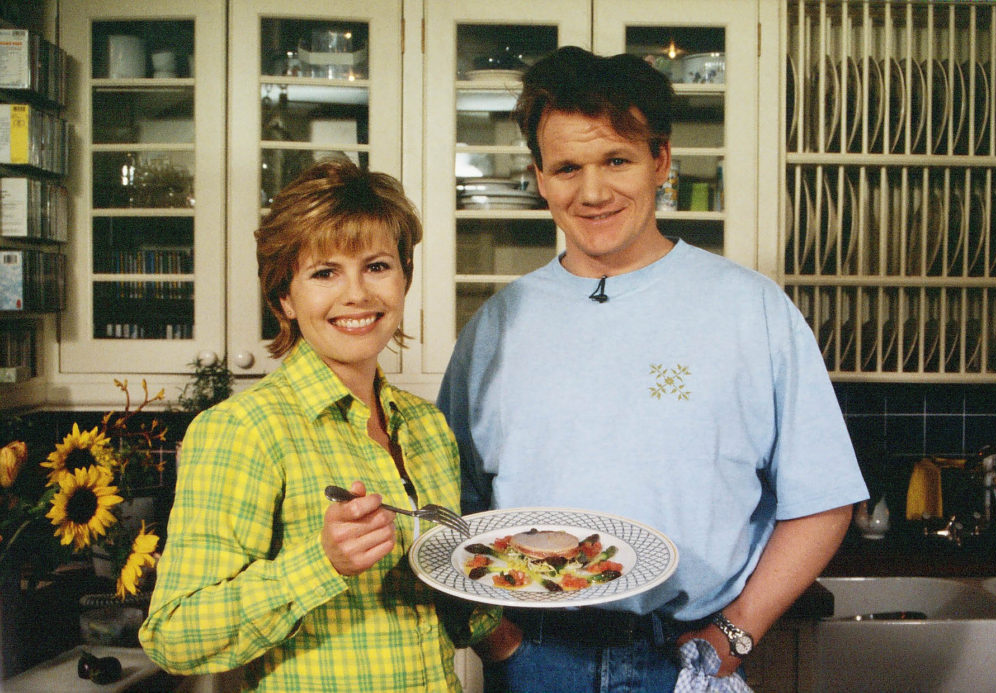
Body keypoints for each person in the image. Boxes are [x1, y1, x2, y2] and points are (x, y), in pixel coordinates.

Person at [437, 46, 869, 692]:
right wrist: (501, 643)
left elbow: (824, 499)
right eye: (567, 168)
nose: (592, 192)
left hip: (685, 657)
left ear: (660, 160)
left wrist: (738, 629)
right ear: (538, 177)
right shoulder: (495, 326)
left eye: (616, 160)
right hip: (534, 660)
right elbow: (447, 510)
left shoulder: (752, 310)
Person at [140, 158, 498, 692]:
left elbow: (439, 605)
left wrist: (497, 610)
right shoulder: (244, 430)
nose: (356, 294)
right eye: (324, 272)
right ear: (284, 295)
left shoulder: (426, 427)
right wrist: (322, 563)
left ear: (404, 277)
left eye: (377, 266)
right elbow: (175, 635)